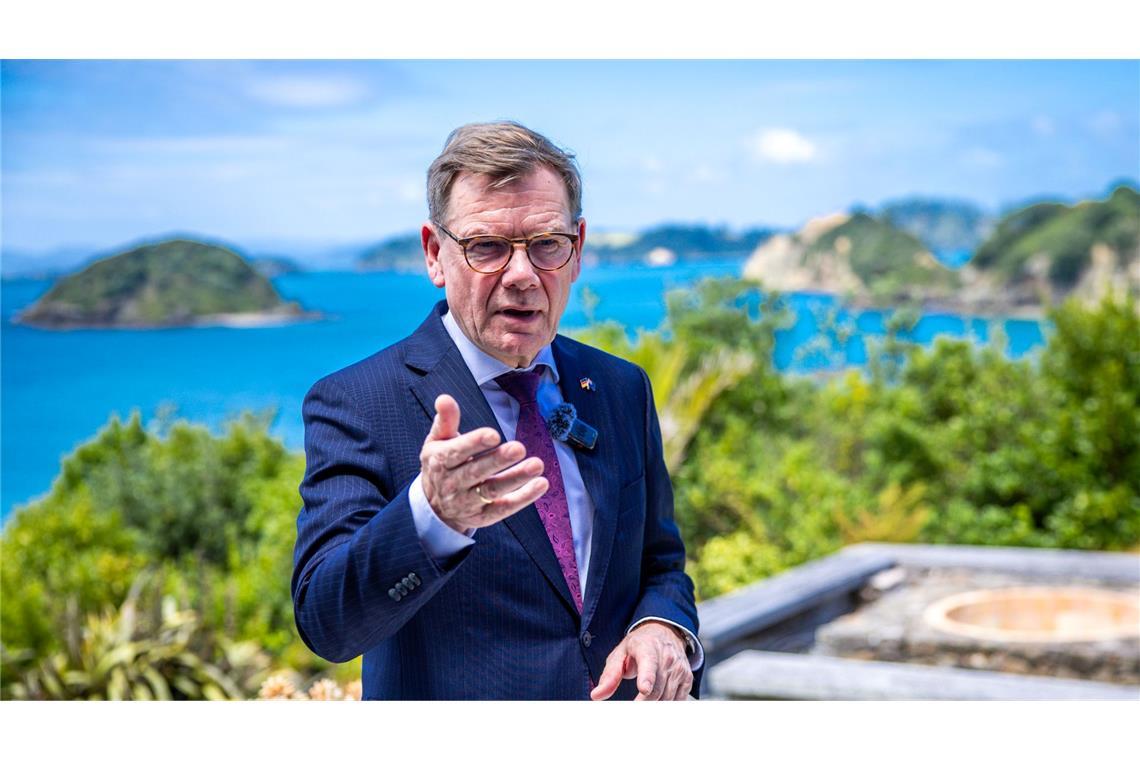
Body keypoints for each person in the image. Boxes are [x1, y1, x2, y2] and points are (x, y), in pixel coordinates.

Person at [292, 121, 702, 700]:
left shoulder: (619, 386)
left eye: (546, 245)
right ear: (436, 254)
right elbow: (324, 623)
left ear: (577, 249)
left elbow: (661, 563)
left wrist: (661, 625)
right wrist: (432, 516)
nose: (521, 275)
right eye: (486, 247)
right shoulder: (357, 402)